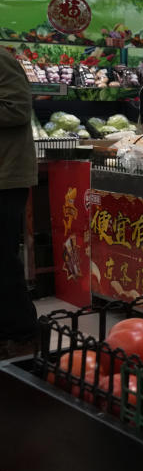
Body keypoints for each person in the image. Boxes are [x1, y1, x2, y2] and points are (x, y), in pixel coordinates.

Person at [0, 48, 39, 357]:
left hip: (7, 176)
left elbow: (17, 109)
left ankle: (23, 334)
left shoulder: (2, 60)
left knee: (2, 258)